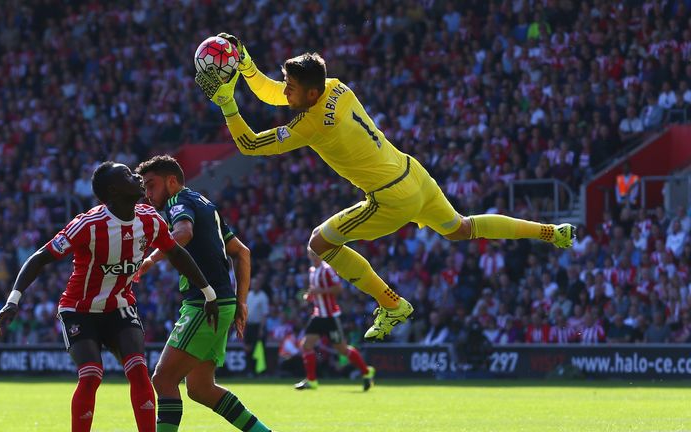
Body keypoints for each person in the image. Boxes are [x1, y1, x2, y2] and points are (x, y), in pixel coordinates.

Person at [195, 33, 576, 341]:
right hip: (413, 172)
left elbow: (250, 145)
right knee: (462, 228)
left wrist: (229, 104)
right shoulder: (336, 87)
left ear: (310, 93)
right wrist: (244, 63)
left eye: (292, 88)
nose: (287, 93)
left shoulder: (311, 125)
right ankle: (550, 232)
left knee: (320, 243)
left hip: (391, 197)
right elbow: (272, 92)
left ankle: (392, 304)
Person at [0, 162, 218, 432]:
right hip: (79, 310)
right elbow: (40, 258)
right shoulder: (88, 224)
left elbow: (177, 254)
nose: (136, 176)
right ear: (113, 190)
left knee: (138, 370)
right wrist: (13, 299)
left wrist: (208, 292)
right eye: (127, 174)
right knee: (91, 375)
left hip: (120, 306)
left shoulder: (149, 219)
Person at [134, 155, 273, 432]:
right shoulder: (206, 205)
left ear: (172, 182)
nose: (148, 195)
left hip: (204, 304)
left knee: (162, 380)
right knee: (200, 388)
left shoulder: (178, 202)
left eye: (151, 186)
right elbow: (242, 253)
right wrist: (240, 301)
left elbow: (183, 233)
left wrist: (149, 260)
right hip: (222, 303)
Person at [294, 249, 375, 391]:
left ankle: (366, 371)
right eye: (311, 254)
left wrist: (319, 291)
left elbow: (338, 289)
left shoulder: (327, 270)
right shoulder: (312, 271)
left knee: (342, 349)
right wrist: (310, 296)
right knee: (306, 345)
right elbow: (316, 291)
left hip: (331, 316)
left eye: (315, 254)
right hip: (318, 315)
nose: (313, 257)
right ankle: (312, 381)